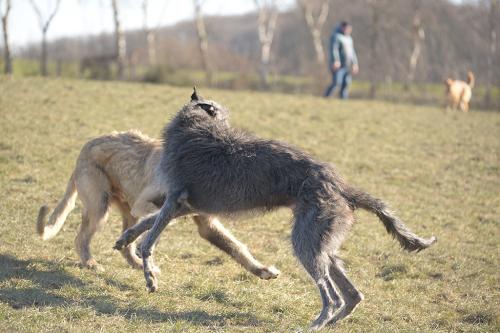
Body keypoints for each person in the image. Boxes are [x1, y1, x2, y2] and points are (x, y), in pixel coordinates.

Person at [324, 21, 359, 99]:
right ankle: (326, 97)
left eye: (350, 29)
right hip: (338, 65)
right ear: (342, 27)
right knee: (337, 83)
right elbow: (334, 49)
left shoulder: (349, 39)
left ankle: (343, 101)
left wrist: (355, 64)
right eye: (347, 29)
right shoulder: (336, 36)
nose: (349, 31)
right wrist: (336, 60)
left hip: (347, 65)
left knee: (346, 83)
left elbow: (352, 52)